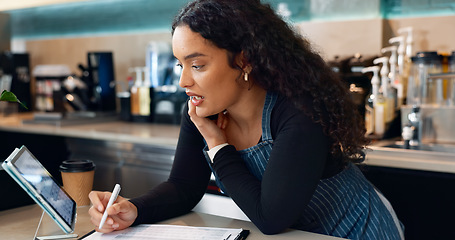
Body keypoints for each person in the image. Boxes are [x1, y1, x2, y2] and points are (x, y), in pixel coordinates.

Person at [88, 0, 404, 239]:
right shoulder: (203, 107)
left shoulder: (298, 111)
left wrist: (217, 144)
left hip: (358, 231)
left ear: (244, 60)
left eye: (196, 65)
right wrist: (135, 209)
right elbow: (184, 186)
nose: (184, 81)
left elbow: (270, 219)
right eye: (180, 65)